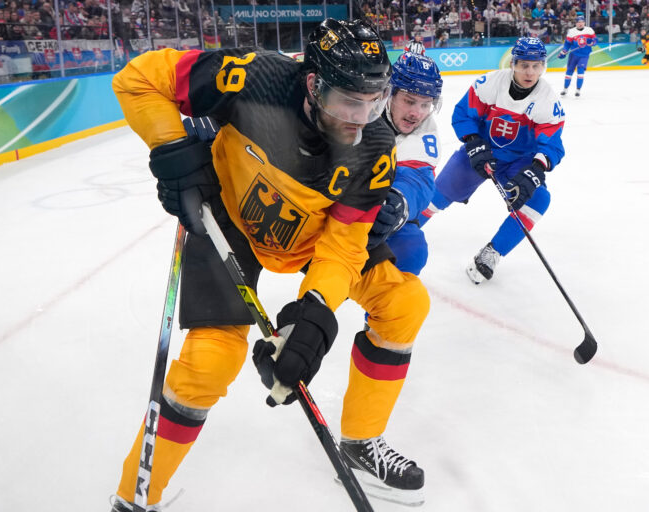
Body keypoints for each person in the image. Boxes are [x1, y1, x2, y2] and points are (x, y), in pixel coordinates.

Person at [109, 18, 430, 511]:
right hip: (230, 221)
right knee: (211, 361)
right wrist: (172, 147)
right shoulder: (252, 76)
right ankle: (137, 493)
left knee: (404, 301)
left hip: (310, 239)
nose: (361, 118)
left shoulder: (374, 148)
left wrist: (315, 316)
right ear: (311, 84)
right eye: (349, 101)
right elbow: (138, 78)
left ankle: (361, 441)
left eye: (374, 101)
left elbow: (343, 247)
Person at [418, 37, 565, 284]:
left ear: (543, 67)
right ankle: (401, 233)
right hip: (482, 151)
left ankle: (492, 252)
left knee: (539, 199)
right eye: (524, 65)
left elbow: (551, 143)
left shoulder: (548, 100)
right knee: (436, 196)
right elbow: (463, 114)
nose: (530, 72)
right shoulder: (489, 83)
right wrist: (473, 142)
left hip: (519, 161)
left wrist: (537, 169)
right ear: (514, 64)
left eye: (536, 66)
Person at [368, 51, 443, 276]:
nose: (416, 113)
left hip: (371, 203)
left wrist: (398, 201)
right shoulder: (361, 104)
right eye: (409, 101)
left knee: (412, 248)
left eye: (425, 105)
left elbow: (417, 179)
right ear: (389, 94)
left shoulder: (426, 132)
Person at [557, 15, 596, 97]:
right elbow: (567, 44)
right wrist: (564, 51)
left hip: (584, 55)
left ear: (584, 22)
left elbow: (595, 40)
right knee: (569, 72)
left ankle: (578, 90)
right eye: (578, 22)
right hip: (573, 55)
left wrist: (592, 43)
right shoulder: (571, 31)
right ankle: (565, 89)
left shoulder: (589, 30)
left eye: (582, 22)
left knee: (580, 72)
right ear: (576, 23)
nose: (580, 24)